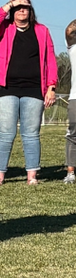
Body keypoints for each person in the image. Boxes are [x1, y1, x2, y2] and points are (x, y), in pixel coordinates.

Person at [0, 0, 57, 185]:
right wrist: (10, 4)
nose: (21, 10)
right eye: (17, 7)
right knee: (5, 133)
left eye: (25, 6)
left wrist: (51, 86)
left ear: (31, 9)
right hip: (4, 88)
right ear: (12, 10)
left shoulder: (42, 31)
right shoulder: (5, 28)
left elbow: (50, 60)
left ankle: (32, 176)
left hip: (34, 89)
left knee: (31, 133)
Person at [66, 19, 76, 184]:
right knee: (73, 135)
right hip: (75, 97)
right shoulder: (73, 48)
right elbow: (69, 30)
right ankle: (70, 172)